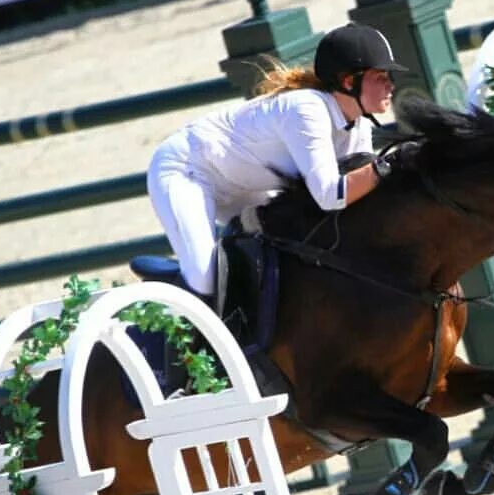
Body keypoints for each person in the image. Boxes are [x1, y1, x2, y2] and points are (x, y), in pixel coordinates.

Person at [146, 22, 407, 301]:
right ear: (348, 81)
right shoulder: (307, 109)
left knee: (287, 250)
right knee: (205, 277)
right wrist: (390, 165)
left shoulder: (359, 125)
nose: (390, 84)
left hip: (246, 183)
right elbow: (332, 195)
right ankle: (165, 308)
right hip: (189, 169)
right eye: (380, 76)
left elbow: (358, 192)